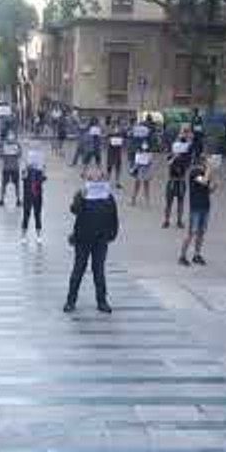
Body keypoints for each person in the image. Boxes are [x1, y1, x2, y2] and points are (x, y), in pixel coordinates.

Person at [64, 168, 119, 314]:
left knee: (99, 270)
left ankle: (102, 301)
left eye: (98, 178)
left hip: (101, 240)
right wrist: (81, 197)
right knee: (78, 269)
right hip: (83, 239)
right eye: (91, 178)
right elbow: (74, 210)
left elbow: (114, 216)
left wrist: (112, 235)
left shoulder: (108, 196)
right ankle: (70, 301)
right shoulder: (82, 194)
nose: (95, 180)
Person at [179, 153, 217, 267]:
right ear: (202, 162)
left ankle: (197, 254)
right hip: (195, 207)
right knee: (191, 233)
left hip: (205, 206)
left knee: (201, 233)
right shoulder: (194, 172)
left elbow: (209, 189)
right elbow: (204, 181)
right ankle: (182, 256)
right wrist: (210, 170)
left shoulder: (206, 172)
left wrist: (214, 183)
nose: (210, 162)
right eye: (208, 161)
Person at [163, 141, 190, 229]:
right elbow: (168, 163)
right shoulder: (171, 156)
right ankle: (166, 220)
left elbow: (186, 167)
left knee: (180, 202)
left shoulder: (185, 157)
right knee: (168, 203)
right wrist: (174, 157)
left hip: (180, 181)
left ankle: (179, 220)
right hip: (172, 180)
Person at [21, 153, 46, 245]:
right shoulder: (25, 172)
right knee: (26, 216)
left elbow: (44, 178)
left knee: (37, 216)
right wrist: (26, 166)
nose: (33, 164)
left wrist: (43, 169)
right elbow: (23, 176)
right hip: (27, 197)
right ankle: (23, 236)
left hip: (37, 197)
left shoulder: (39, 173)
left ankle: (39, 236)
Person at [0, 131, 22, 207]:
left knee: (4, 185)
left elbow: (1, 155)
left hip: (7, 168)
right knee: (16, 185)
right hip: (14, 168)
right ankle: (18, 200)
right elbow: (19, 154)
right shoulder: (17, 144)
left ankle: (2, 200)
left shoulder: (4, 144)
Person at [130, 141, 154, 207]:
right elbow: (137, 163)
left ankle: (146, 201)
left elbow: (150, 162)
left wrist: (132, 169)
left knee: (145, 186)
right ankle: (134, 199)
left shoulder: (149, 154)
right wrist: (133, 169)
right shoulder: (139, 153)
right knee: (138, 185)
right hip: (141, 169)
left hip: (145, 169)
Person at [106, 122, 124, 188]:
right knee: (109, 167)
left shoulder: (120, 134)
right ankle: (107, 181)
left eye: (117, 127)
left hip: (118, 153)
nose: (117, 128)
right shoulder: (110, 134)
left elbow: (123, 143)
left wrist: (121, 141)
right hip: (111, 152)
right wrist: (110, 140)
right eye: (115, 127)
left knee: (118, 167)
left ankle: (117, 182)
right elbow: (107, 142)